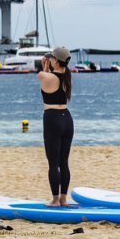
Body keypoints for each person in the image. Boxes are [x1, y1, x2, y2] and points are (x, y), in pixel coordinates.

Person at [38, 46, 74, 207]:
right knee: (64, 162)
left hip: (52, 119)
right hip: (67, 118)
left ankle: (54, 199)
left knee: (53, 163)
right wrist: (48, 66)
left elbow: (43, 76)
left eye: (52, 58)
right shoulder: (67, 75)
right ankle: (64, 199)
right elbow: (51, 74)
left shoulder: (45, 76)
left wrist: (44, 67)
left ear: (55, 60)